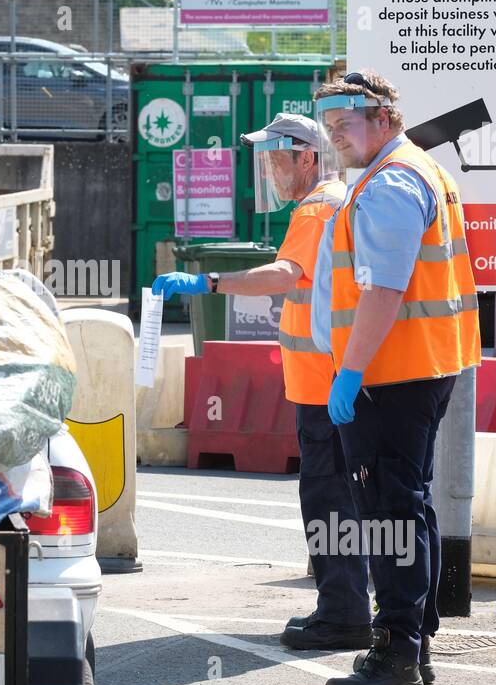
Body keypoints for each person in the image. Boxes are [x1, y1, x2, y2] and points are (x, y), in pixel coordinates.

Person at [151, 114, 371, 652]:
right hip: (330, 381)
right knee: (342, 499)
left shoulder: (318, 208)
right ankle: (345, 608)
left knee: (329, 500)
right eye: (267, 160)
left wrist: (209, 280)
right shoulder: (334, 201)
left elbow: (284, 275)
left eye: (276, 158)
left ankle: (343, 616)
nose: (270, 171)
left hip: (326, 387)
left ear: (306, 157)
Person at [308, 70, 480, 685]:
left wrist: (350, 372)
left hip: (390, 374)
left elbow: (385, 289)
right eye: (329, 127)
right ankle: (414, 642)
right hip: (421, 368)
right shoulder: (420, 171)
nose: (336, 137)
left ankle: (396, 653)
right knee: (408, 505)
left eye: (344, 124)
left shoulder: (389, 185)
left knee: (387, 516)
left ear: (383, 117)